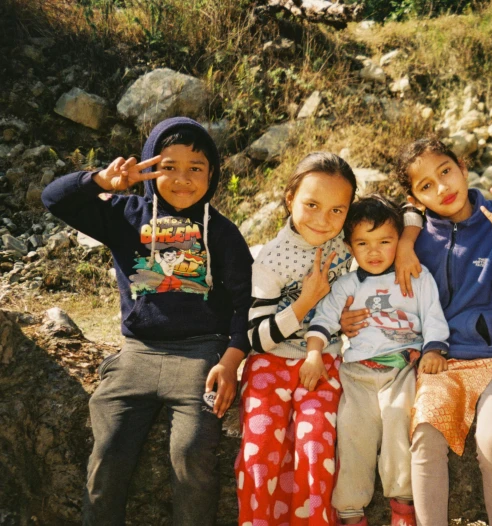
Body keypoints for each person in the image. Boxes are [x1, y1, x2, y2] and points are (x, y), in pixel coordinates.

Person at [41, 117, 254, 525]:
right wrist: (101, 182)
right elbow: (55, 199)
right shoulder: (125, 214)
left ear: (213, 175)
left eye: (196, 168)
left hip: (199, 357)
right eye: (167, 166)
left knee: (190, 453)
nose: (182, 178)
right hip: (137, 354)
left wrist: (230, 360)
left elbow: (246, 304)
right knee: (108, 452)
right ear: (148, 169)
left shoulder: (224, 234)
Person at [341, 138, 492, 526]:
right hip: (443, 360)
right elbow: (375, 273)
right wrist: (406, 239)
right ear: (415, 198)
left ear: (463, 166)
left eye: (446, 172)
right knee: (424, 437)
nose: (442, 188)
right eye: (426, 186)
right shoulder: (418, 237)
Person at [305, 195, 450, 526]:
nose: (374, 251)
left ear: (399, 240)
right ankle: (350, 511)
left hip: (401, 368)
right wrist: (314, 353)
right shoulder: (345, 286)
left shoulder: (415, 275)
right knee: (354, 432)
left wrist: (432, 350)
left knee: (399, 419)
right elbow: (324, 322)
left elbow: (433, 317)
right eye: (363, 243)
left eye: (384, 241)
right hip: (357, 374)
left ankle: (403, 503)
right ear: (349, 246)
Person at [235, 152, 357, 526]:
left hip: (323, 359)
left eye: (338, 210)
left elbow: (396, 220)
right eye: (312, 204)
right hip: (270, 363)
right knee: (258, 457)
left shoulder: (345, 243)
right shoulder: (271, 261)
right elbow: (256, 337)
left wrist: (342, 320)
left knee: (316, 448)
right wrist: (304, 303)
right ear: (290, 198)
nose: (324, 220)